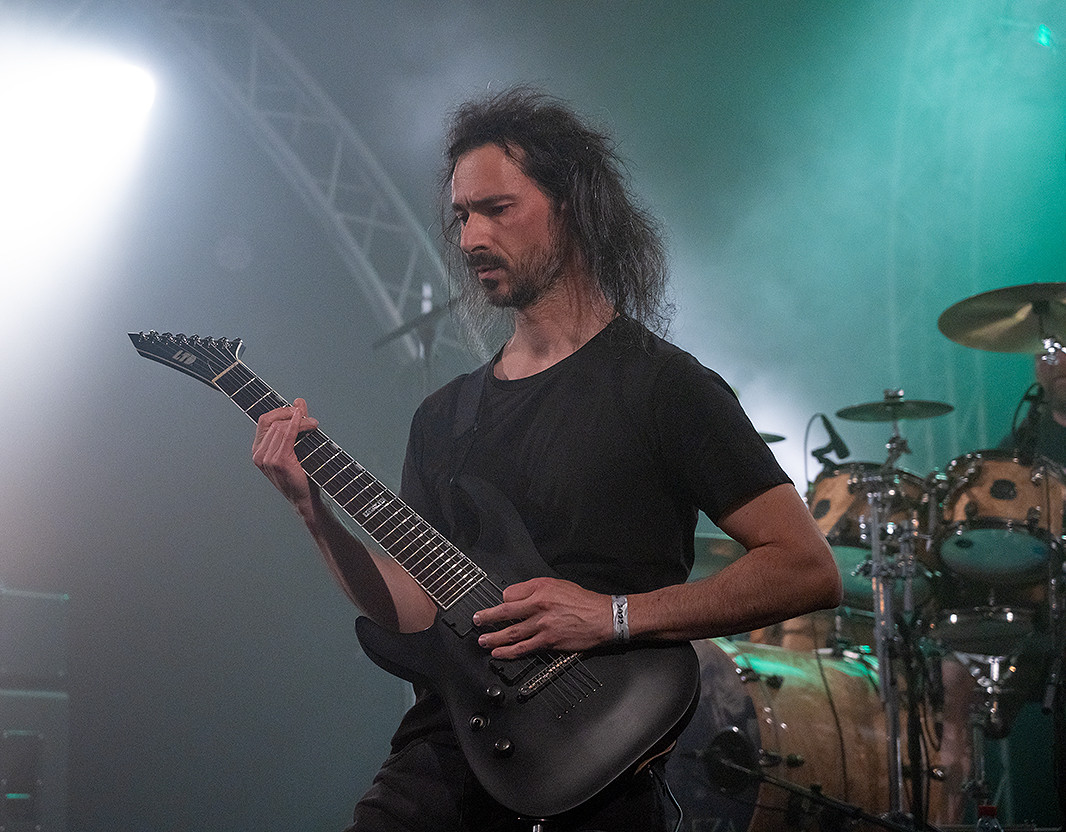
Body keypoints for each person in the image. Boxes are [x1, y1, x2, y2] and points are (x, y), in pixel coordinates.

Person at [251, 87, 842, 832]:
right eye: (462, 216)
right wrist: (314, 514)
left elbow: (806, 567)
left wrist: (612, 616)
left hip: (599, 753)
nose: (471, 237)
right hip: (449, 754)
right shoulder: (444, 417)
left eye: (497, 209)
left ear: (572, 208)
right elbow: (417, 608)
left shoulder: (663, 386)